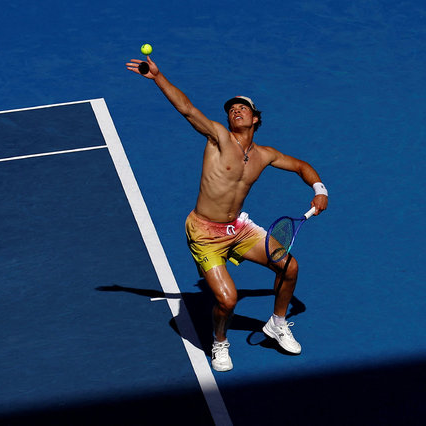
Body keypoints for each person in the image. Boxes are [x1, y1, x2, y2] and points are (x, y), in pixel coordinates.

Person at [126, 56, 328, 372]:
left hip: (238, 228)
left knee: (289, 267)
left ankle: (277, 323)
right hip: (205, 233)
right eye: (232, 108)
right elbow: (187, 109)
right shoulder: (218, 137)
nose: (235, 110)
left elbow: (301, 166)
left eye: (243, 108)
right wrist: (158, 77)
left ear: (256, 119)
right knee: (228, 300)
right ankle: (219, 343)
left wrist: (319, 189)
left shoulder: (265, 155)